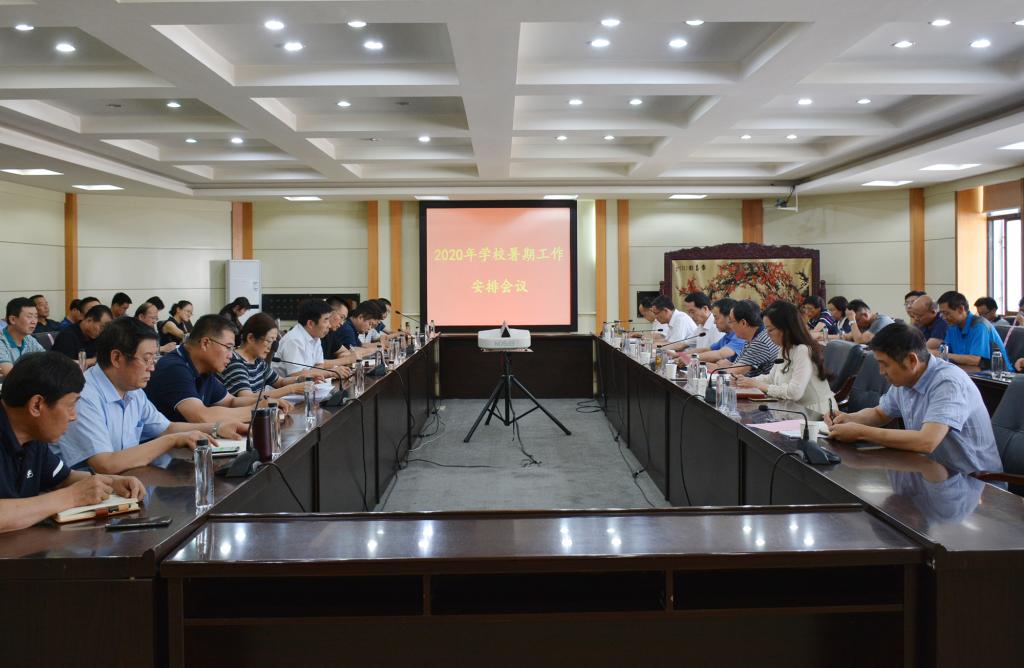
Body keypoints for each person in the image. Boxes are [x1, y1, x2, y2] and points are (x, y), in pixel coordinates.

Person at [54, 319, 248, 474]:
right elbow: (105, 464)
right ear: (117, 358)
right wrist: (172, 440)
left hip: (124, 482)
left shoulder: (133, 390)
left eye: (154, 359)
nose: (152, 367)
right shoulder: (84, 396)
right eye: (147, 359)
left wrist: (217, 428)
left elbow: (166, 428)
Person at [827, 324, 1003, 476]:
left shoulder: (948, 383)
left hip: (973, 481)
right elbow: (880, 413)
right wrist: (847, 418)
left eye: (885, 364)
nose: (881, 372)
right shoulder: (906, 379)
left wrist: (860, 432)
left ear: (912, 360)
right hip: (930, 471)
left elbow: (926, 441)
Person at [0, 352, 145, 534]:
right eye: (70, 405)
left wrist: (111, 483)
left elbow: (63, 478)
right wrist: (70, 497)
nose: (73, 416)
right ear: (36, 405)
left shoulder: (33, 437)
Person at [144, 314, 268, 423]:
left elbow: (231, 402)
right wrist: (256, 410)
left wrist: (268, 403)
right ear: (205, 343)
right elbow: (201, 416)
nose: (231, 355)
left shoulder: (204, 369)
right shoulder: (174, 368)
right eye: (228, 347)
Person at [735, 301, 835, 414]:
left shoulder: (802, 350)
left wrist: (758, 385)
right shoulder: (784, 348)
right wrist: (747, 381)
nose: (767, 334)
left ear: (785, 328)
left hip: (815, 413)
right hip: (793, 409)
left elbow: (794, 393)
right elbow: (771, 378)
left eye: (770, 330)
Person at [222, 312, 330, 399]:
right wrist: (291, 389)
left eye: (273, 342)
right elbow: (247, 397)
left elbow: (280, 382)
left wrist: (301, 379)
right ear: (251, 338)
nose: (270, 348)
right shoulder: (235, 362)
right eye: (268, 341)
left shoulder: (258, 361)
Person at [706, 299, 780, 377]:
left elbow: (734, 372)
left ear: (743, 323)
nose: (730, 326)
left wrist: (703, 364)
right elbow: (736, 366)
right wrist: (731, 366)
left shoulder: (761, 342)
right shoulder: (751, 336)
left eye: (731, 321)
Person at [937, 291, 1008, 368]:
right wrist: (940, 354)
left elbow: (974, 360)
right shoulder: (952, 326)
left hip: (997, 372)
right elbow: (944, 351)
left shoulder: (980, 326)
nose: (944, 317)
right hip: (968, 370)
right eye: (942, 314)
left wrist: (941, 354)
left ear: (960, 309)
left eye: (947, 313)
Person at [676, 298, 746, 363]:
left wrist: (690, 358)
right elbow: (707, 349)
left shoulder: (740, 337)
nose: (714, 322)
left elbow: (720, 354)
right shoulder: (727, 336)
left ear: (729, 317)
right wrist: (680, 355)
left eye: (716, 318)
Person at [0, 297, 45, 375]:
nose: (34, 321)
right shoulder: (1, 341)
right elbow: (11, 375)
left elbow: (47, 362)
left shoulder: (30, 340)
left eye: (36, 317)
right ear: (13, 320)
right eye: (29, 316)